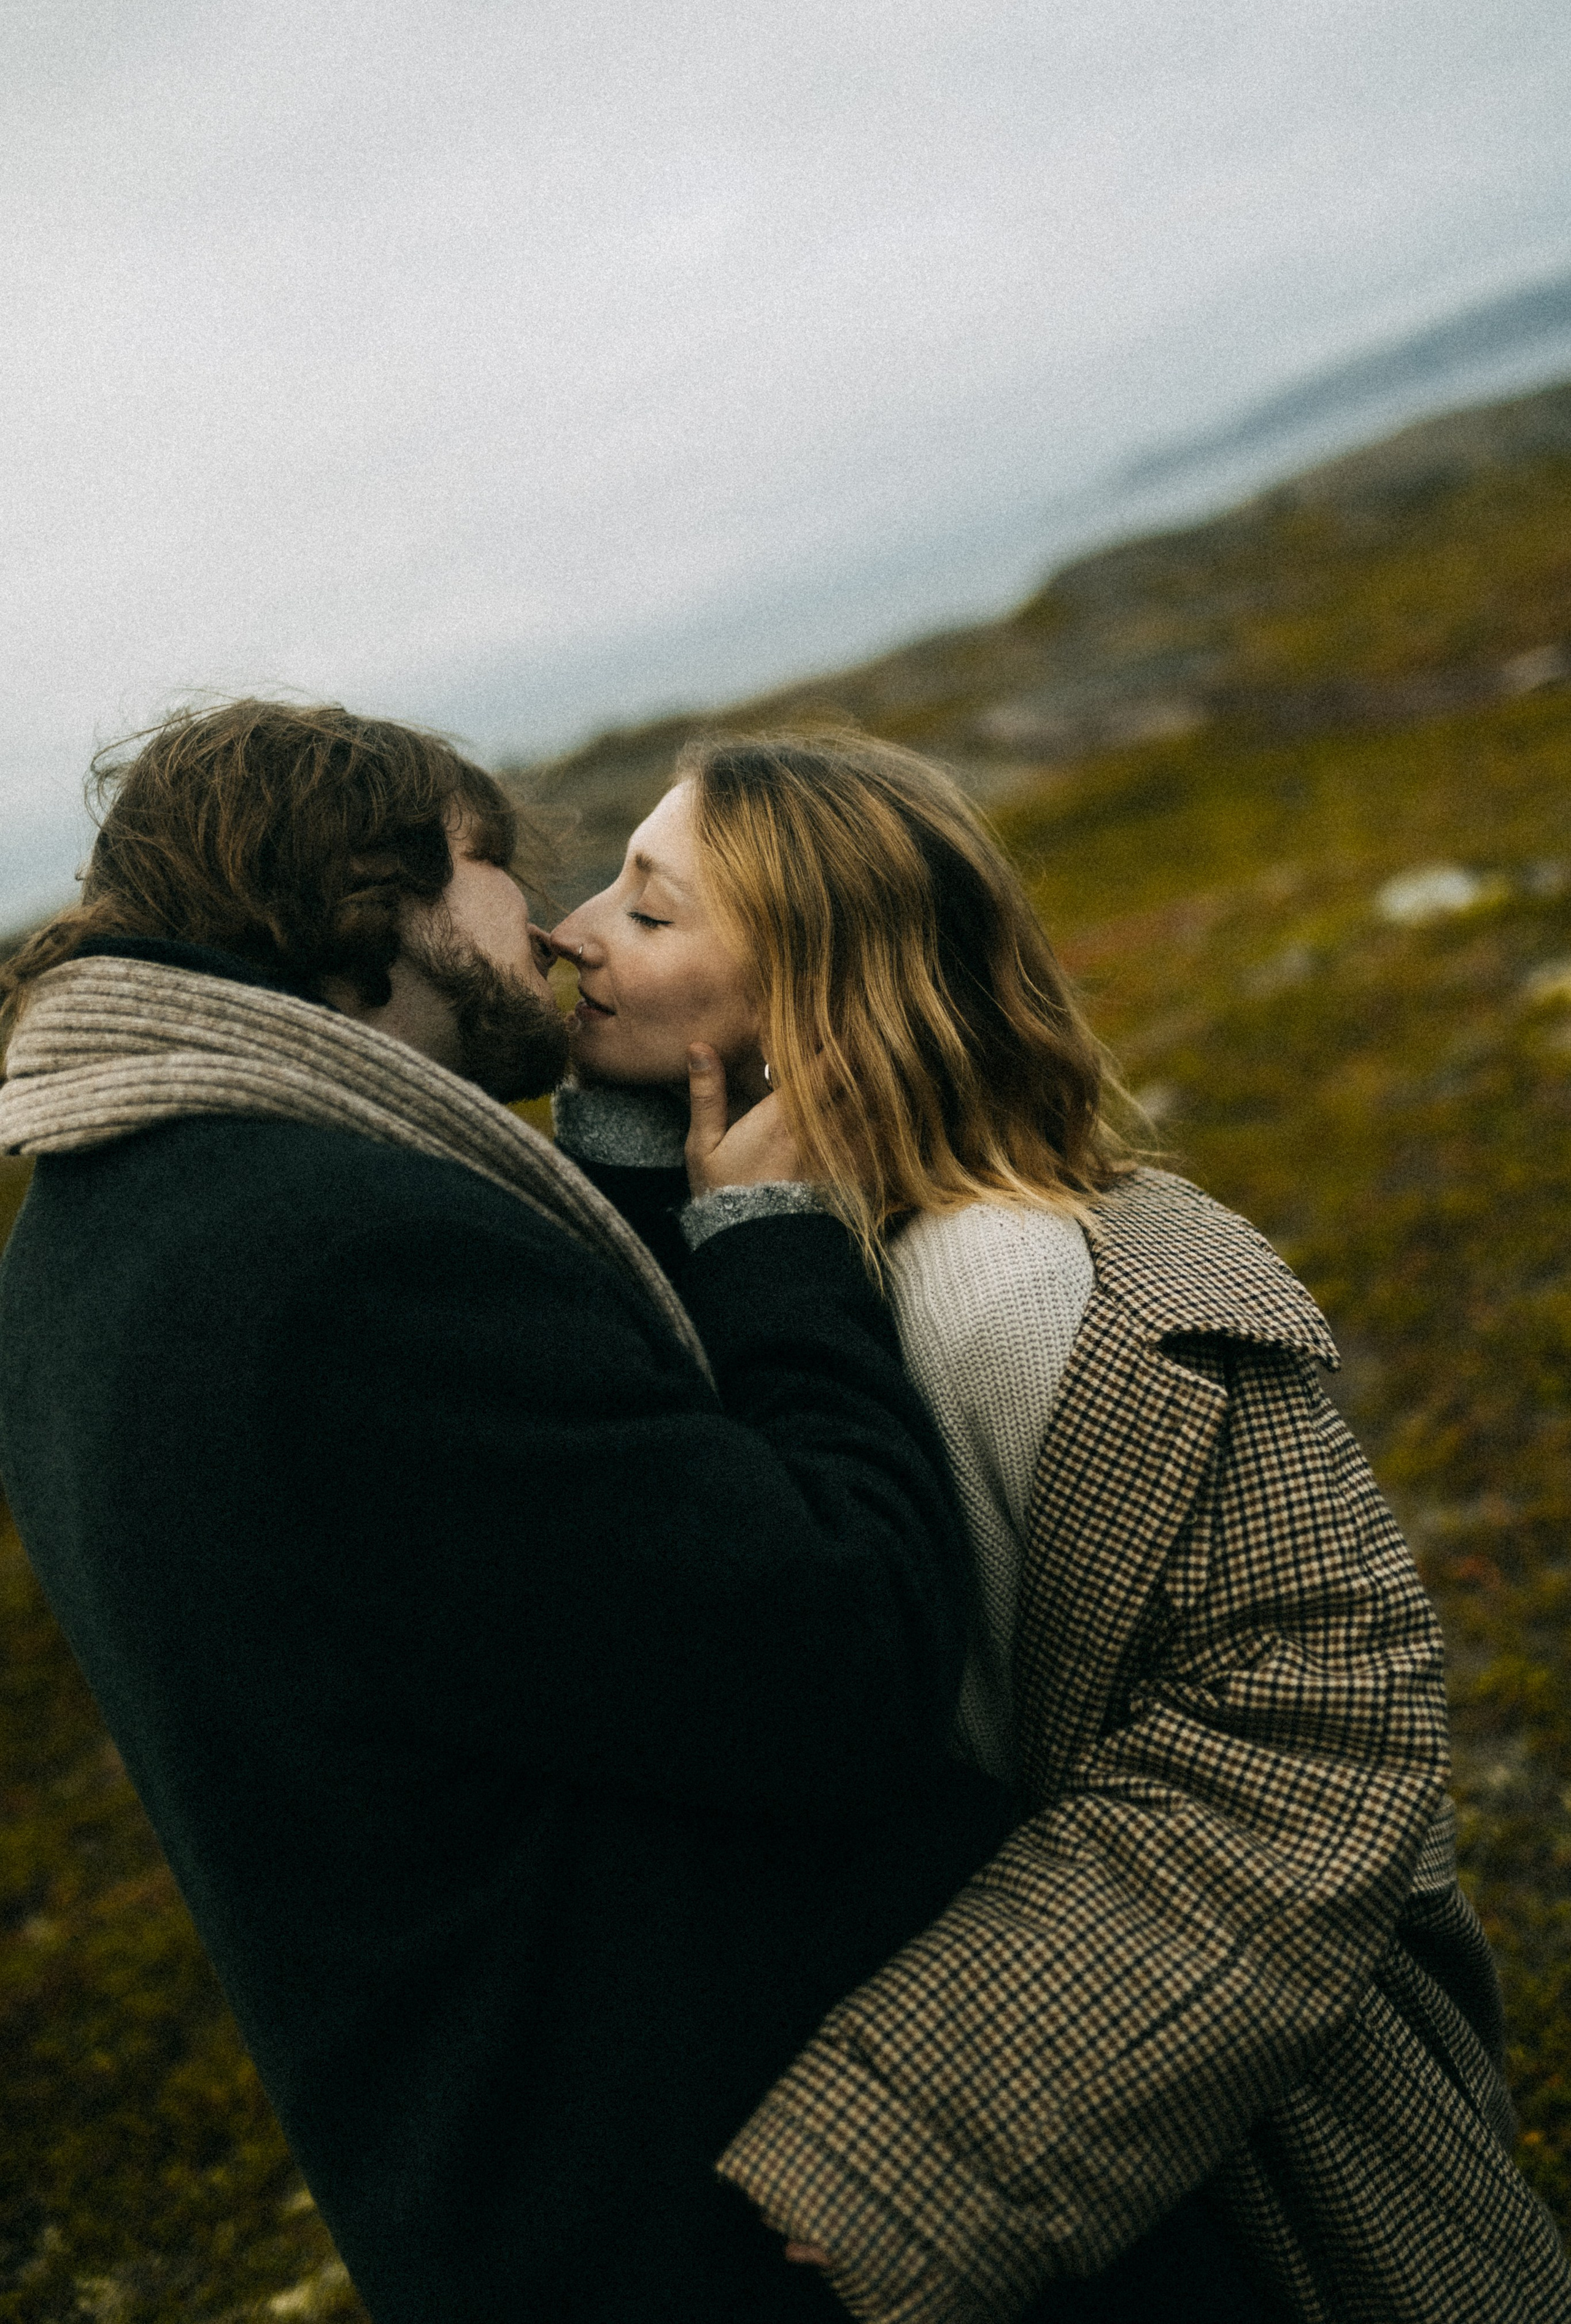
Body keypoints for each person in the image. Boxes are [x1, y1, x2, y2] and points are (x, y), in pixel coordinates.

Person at [0, 699, 1020, 2324]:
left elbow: (545, 1554)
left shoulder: (101, 1233)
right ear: (362, 904)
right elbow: (844, 1652)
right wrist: (770, 1230)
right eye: (488, 870)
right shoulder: (335, 1266)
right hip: (703, 2218)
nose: (540, 927)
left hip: (499, 2192)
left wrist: (623, 1160)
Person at [549, 723, 1571, 2324]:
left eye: (650, 909)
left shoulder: (1014, 1290)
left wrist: (932, 2133)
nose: (572, 930)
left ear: (816, 1002)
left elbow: (1306, 1731)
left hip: (1233, 2136)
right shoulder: (799, 1253)